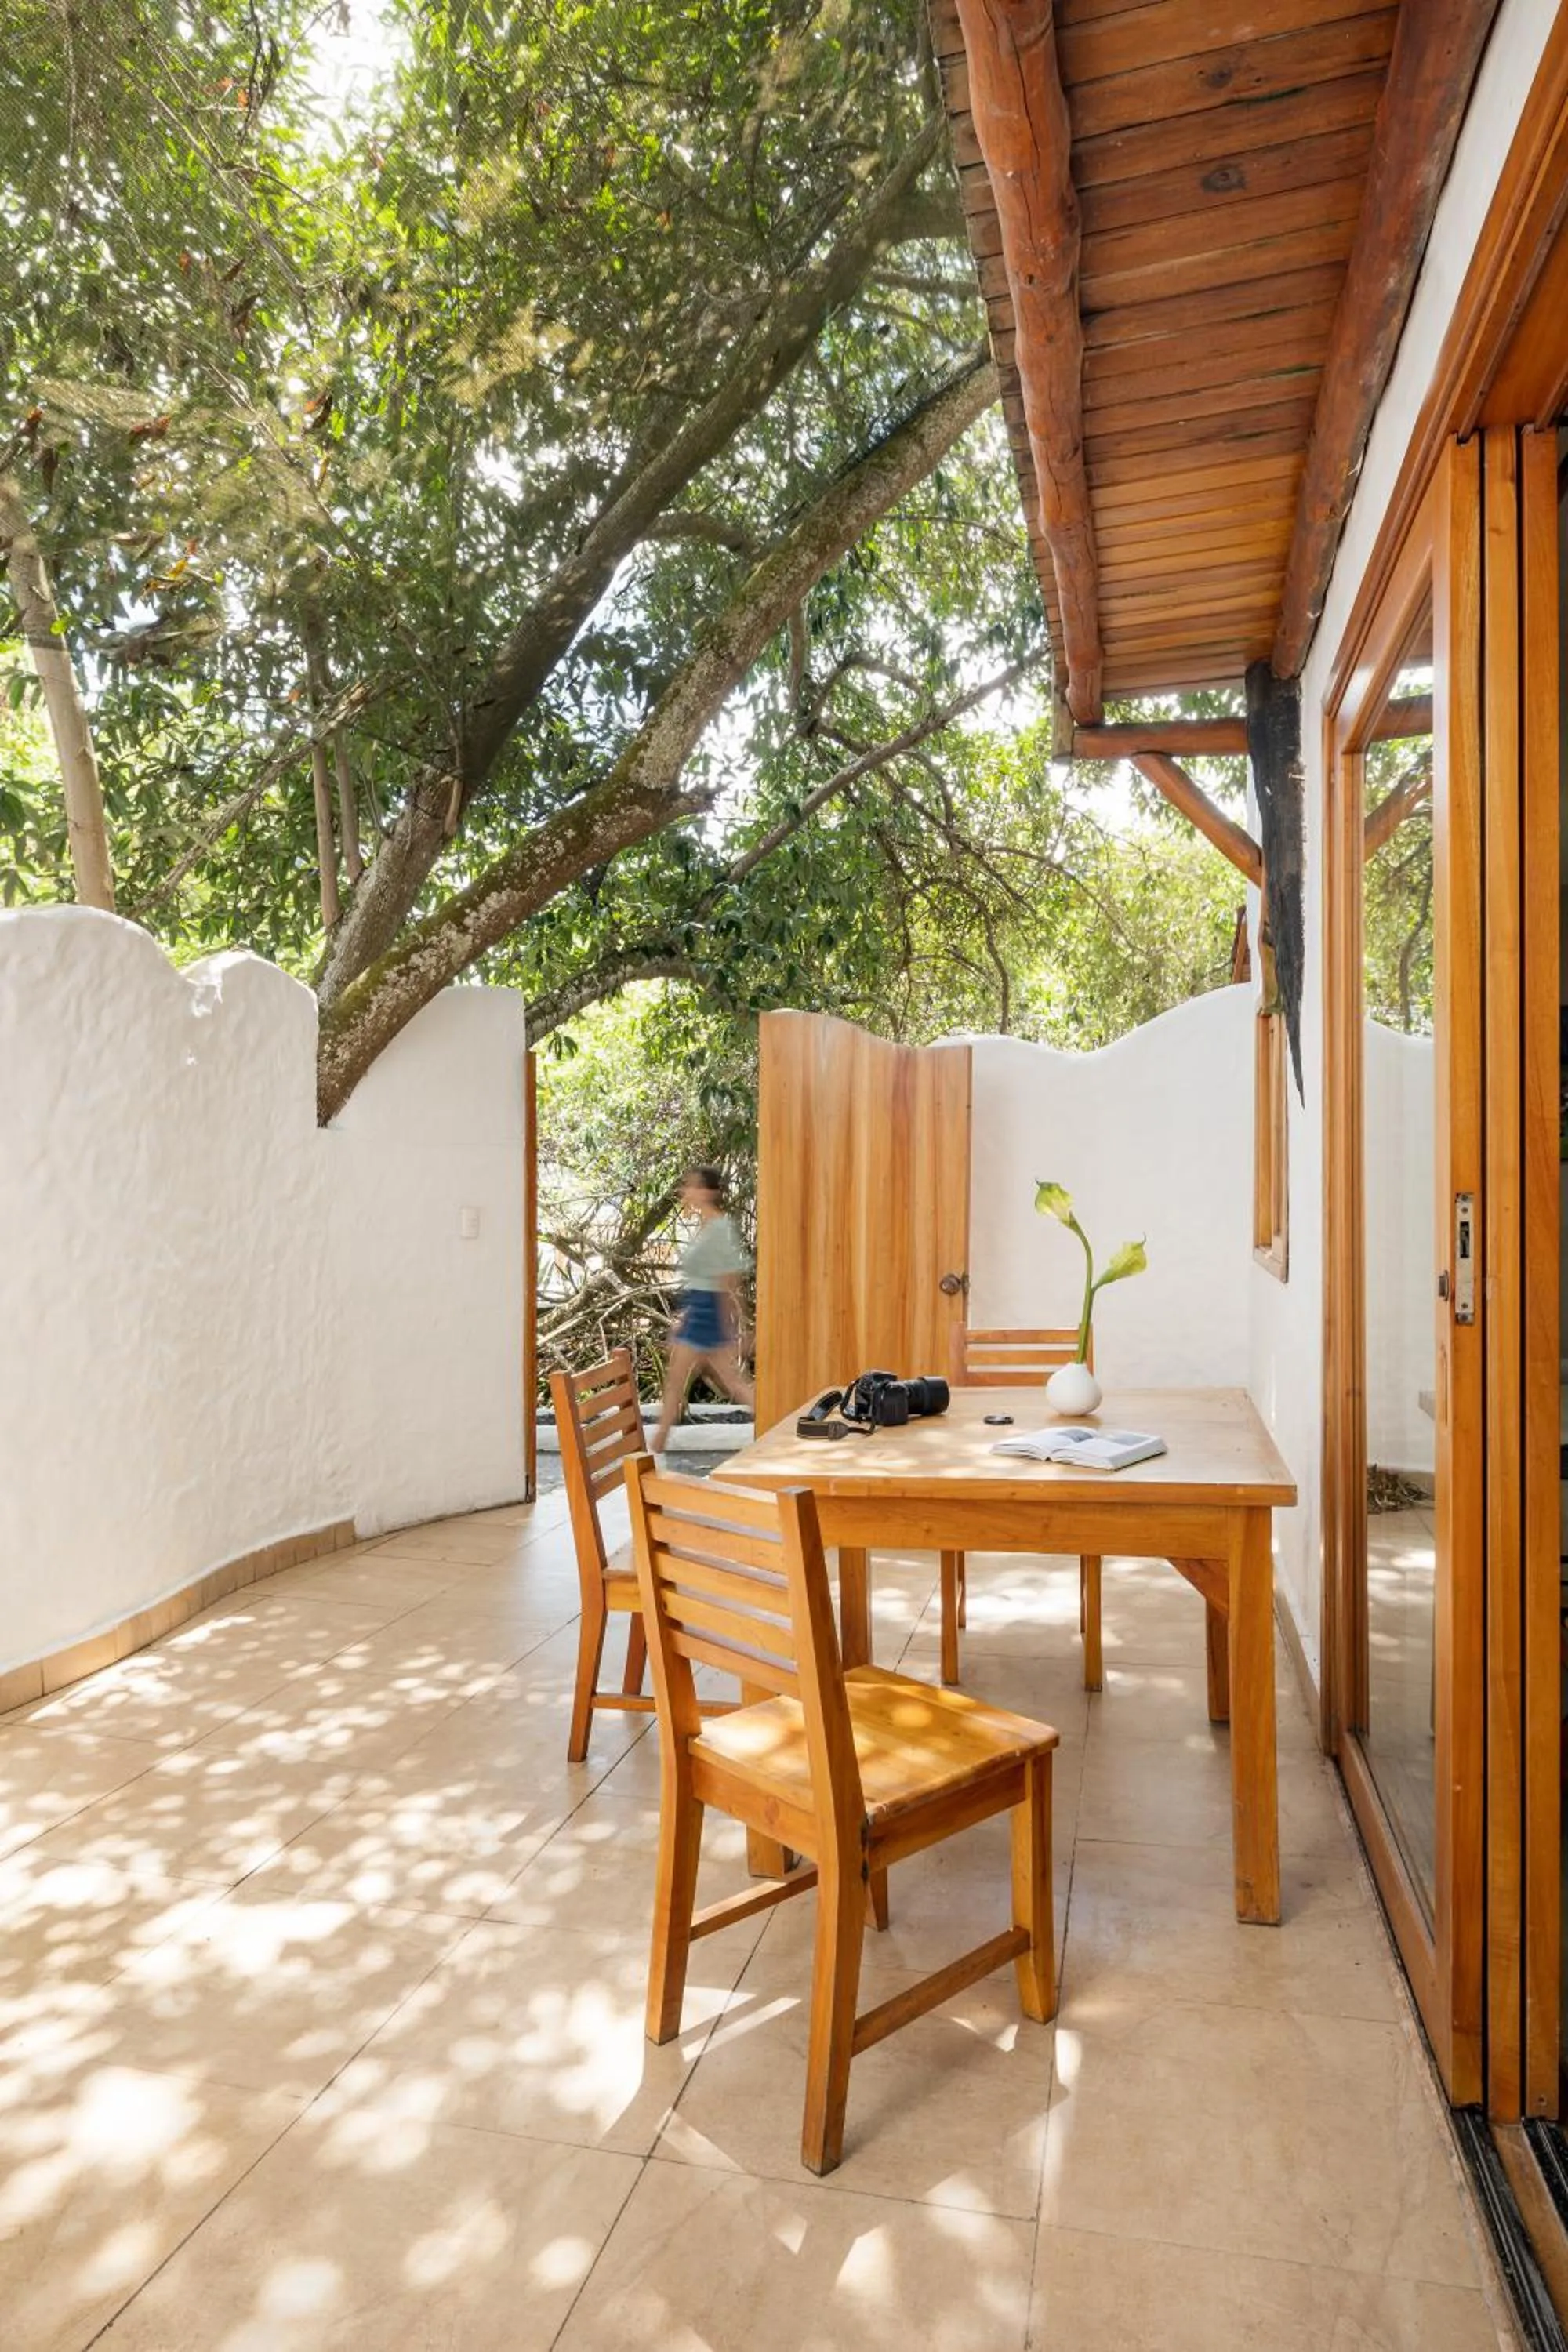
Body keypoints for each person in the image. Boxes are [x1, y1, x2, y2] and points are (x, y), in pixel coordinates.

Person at [650, 1164, 755, 1455]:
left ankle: (655, 1446)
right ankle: (657, 1444)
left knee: (685, 1380)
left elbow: (729, 1279)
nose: (687, 1191)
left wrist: (732, 1327)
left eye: (693, 1186)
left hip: (708, 1311)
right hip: (698, 1308)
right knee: (731, 1381)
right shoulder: (708, 1224)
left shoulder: (720, 1227)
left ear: (709, 1192)